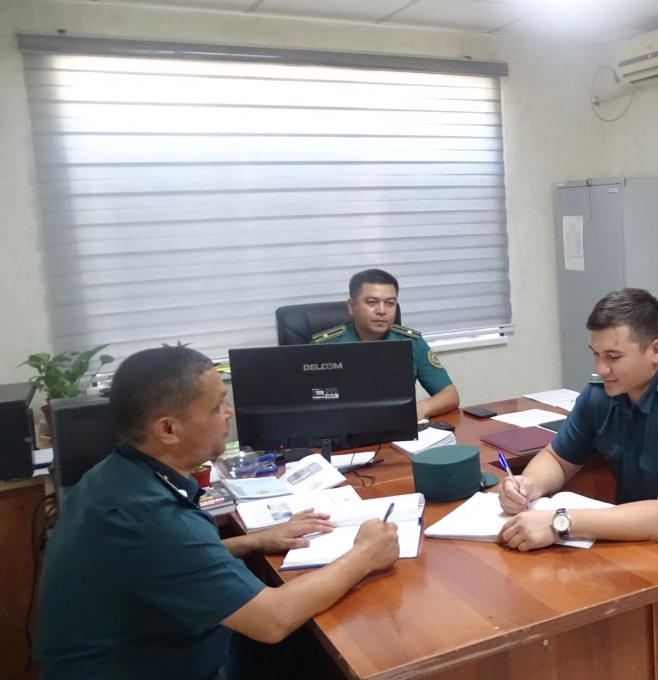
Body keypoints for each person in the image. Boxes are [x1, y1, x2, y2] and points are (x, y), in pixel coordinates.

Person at [33, 346, 400, 680]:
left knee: (309, 648)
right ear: (168, 429)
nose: (228, 414)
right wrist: (365, 554)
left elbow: (166, 562)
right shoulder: (147, 516)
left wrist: (253, 542)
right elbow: (272, 619)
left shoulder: (119, 474)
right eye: (216, 406)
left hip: (164, 651)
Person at [497, 288, 658, 632]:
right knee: (551, 604)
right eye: (595, 354)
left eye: (613, 357)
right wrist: (527, 486)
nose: (601, 368)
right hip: (636, 543)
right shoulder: (602, 394)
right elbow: (557, 458)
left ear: (655, 351)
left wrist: (560, 521)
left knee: (612, 636)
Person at [312, 268, 460, 418]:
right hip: (343, 427)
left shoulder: (411, 341)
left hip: (397, 426)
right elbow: (306, 402)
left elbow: (450, 395)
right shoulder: (324, 346)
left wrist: (422, 408)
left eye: (390, 303)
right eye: (372, 302)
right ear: (351, 306)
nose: (382, 311)